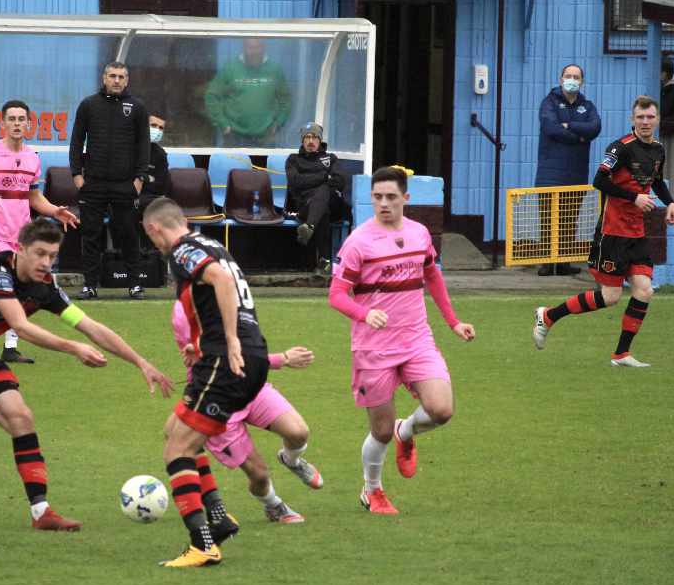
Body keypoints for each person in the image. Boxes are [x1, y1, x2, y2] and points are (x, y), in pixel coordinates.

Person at [0, 219, 173, 530]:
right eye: (40, 254)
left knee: (21, 417)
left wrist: (140, 361)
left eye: (52, 255)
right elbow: (20, 327)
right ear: (20, 249)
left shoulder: (45, 287)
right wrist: (73, 349)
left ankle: (42, 513)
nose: (46, 263)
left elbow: (90, 326)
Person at [329, 166, 476, 515]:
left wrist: (453, 322)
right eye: (377, 197)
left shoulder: (420, 234)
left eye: (391, 197)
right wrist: (364, 314)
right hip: (373, 347)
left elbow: (432, 277)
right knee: (379, 431)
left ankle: (405, 432)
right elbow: (336, 295)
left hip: (416, 340)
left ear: (406, 198)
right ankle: (372, 491)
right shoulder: (358, 242)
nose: (383, 203)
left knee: (442, 409)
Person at [142, 197, 270, 567]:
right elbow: (222, 296)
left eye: (152, 239)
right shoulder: (211, 243)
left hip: (227, 361)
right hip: (245, 354)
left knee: (177, 451)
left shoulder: (183, 251)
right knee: (175, 431)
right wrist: (203, 342)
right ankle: (217, 517)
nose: (156, 246)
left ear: (155, 229)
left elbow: (221, 280)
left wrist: (228, 340)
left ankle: (203, 545)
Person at [532, 96, 674, 368]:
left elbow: (656, 180)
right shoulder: (620, 148)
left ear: (657, 120)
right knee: (610, 297)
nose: (645, 122)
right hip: (612, 232)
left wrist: (669, 202)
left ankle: (621, 354)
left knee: (644, 290)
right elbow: (599, 181)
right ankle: (549, 315)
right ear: (632, 119)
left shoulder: (658, 149)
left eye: (650, 117)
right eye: (640, 118)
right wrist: (634, 197)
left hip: (637, 233)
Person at [171, 301, 321, 525]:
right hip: (216, 397)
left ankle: (291, 460)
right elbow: (223, 358)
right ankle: (274, 505)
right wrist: (284, 359)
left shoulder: (232, 293)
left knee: (298, 433)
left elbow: (249, 347)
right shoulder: (184, 311)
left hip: (249, 384)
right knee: (259, 475)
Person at [0, 99, 79, 364]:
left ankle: (10, 346)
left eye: (21, 119)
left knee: (20, 289)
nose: (17, 124)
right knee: (1, 288)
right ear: (3, 123)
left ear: (29, 124)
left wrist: (55, 211)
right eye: (12, 119)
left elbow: (34, 197)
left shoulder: (32, 158)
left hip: (24, 236)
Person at [69, 61, 150, 300]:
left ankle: (134, 284)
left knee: (128, 234)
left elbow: (144, 145)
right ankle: (90, 285)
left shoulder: (137, 107)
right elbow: (76, 141)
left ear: (127, 80)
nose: (117, 80)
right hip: (92, 183)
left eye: (121, 77)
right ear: (104, 78)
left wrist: (140, 178)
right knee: (91, 235)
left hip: (125, 183)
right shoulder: (88, 105)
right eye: (112, 76)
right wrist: (77, 174)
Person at [535, 64, 602, 276]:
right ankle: (547, 262)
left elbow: (595, 127)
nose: (572, 79)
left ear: (582, 81)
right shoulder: (549, 103)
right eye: (568, 76)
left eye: (576, 76)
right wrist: (579, 137)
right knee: (548, 217)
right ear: (561, 78)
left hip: (576, 171)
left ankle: (563, 263)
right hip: (550, 172)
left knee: (569, 217)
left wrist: (569, 126)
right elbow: (550, 127)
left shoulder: (587, 106)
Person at [286, 121, 350, 274]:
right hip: (306, 206)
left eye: (314, 137)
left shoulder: (330, 158)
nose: (310, 141)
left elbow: (340, 181)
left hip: (335, 206)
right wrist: (324, 176)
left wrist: (311, 180)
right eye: (307, 137)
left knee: (325, 191)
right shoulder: (293, 159)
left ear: (320, 140)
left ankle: (310, 227)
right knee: (323, 207)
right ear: (302, 140)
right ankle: (324, 260)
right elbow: (295, 182)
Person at [204, 38, 291, 147]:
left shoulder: (274, 70)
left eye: (257, 47)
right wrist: (223, 125)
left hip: (266, 137)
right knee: (233, 164)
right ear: (244, 48)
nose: (254, 52)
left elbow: (285, 99)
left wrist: (278, 123)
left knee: (265, 165)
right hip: (234, 136)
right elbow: (211, 96)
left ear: (264, 48)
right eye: (250, 47)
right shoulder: (230, 68)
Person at [138, 113, 172, 212]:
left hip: (149, 199)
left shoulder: (160, 154)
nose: (157, 130)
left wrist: (142, 180)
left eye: (161, 128)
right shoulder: (128, 148)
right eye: (153, 126)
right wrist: (148, 178)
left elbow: (161, 184)